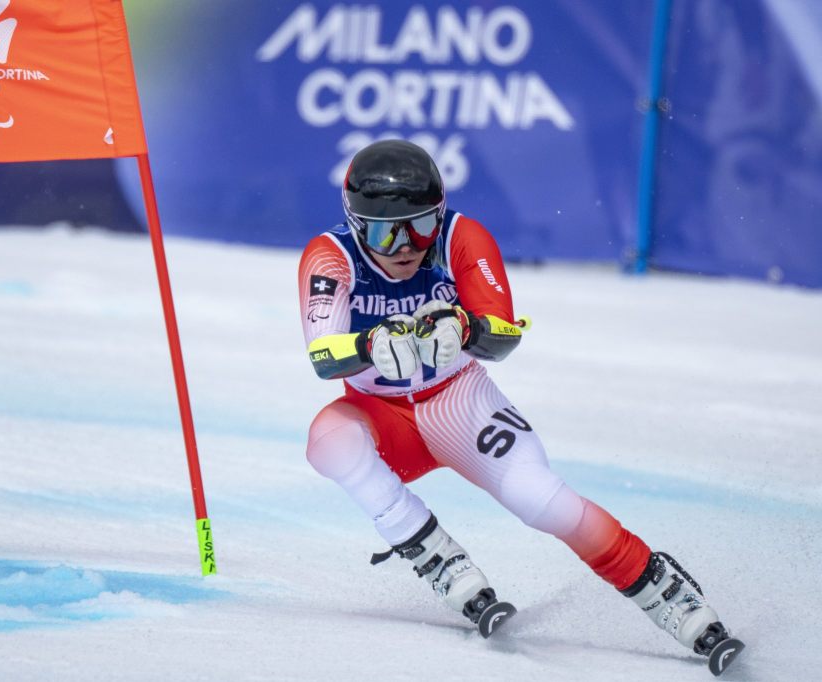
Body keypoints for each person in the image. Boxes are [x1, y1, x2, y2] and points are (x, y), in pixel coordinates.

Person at [298, 140, 742, 674]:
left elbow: (503, 334)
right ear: (353, 224)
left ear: (439, 215)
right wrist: (368, 345)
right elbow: (323, 355)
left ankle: (666, 592)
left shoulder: (462, 237)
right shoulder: (329, 256)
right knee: (329, 439)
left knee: (541, 501)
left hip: (460, 402)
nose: (404, 246)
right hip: (383, 415)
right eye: (382, 230)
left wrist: (465, 327)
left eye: (419, 226)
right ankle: (431, 551)